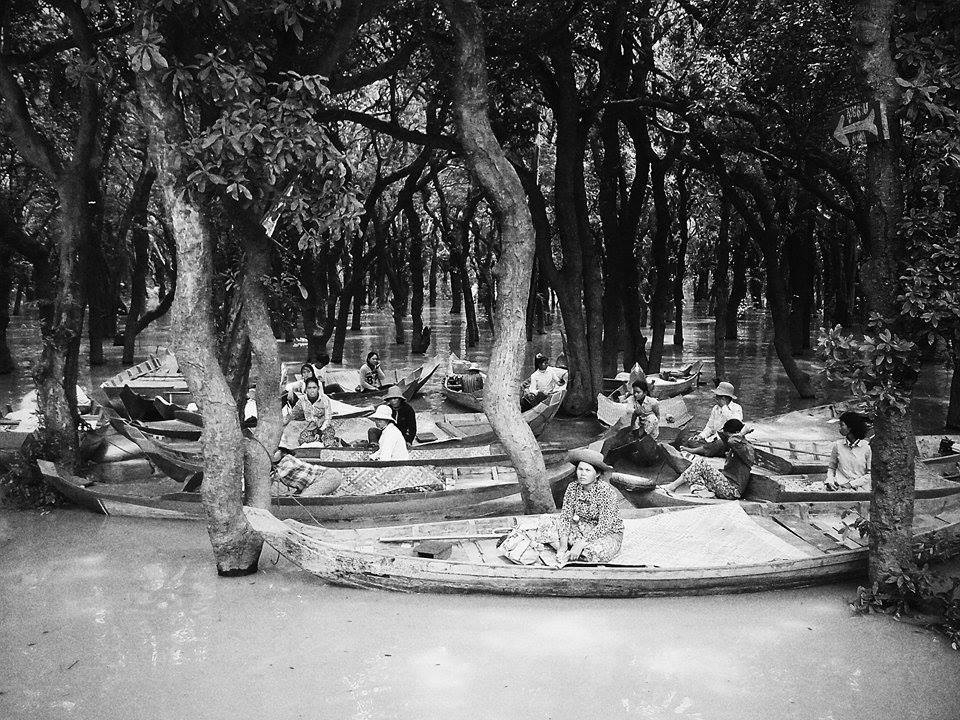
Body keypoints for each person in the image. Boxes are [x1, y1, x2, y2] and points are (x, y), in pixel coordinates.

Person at [534, 449, 624, 567]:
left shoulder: (606, 492)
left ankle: (578, 551)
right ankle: (568, 549)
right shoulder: (573, 487)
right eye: (580, 469)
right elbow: (566, 517)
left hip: (606, 534)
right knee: (546, 521)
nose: (583, 474)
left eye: (588, 470)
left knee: (593, 552)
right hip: (581, 527)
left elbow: (604, 525)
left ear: (596, 474)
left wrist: (581, 544)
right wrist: (563, 545)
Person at [662, 418, 755, 500]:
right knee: (696, 472)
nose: (726, 439)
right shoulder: (737, 444)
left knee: (700, 464)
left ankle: (672, 487)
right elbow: (724, 436)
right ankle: (702, 492)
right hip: (726, 483)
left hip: (732, 490)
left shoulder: (746, 448)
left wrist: (742, 433)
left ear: (736, 434)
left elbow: (731, 440)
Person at [682, 381, 743, 457]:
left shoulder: (737, 408)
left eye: (717, 396)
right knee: (691, 441)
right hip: (713, 440)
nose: (715, 398)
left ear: (723, 398)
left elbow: (735, 423)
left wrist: (724, 407)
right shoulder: (715, 408)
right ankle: (709, 450)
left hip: (728, 441)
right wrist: (701, 436)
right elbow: (710, 427)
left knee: (720, 443)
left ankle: (698, 450)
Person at [825, 411, 872, 491]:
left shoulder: (866, 447)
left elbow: (870, 474)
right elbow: (831, 468)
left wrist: (851, 484)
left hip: (862, 490)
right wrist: (830, 481)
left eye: (842, 425)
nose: (840, 428)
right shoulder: (838, 445)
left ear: (850, 427)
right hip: (840, 488)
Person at [284, 377, 336, 447]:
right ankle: (318, 442)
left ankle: (329, 441)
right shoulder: (302, 400)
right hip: (311, 428)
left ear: (318, 388)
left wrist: (320, 431)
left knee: (329, 442)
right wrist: (283, 422)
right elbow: (293, 413)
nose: (312, 390)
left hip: (324, 427)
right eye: (309, 388)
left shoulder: (325, 399)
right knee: (302, 440)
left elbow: (328, 418)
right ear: (306, 389)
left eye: (314, 388)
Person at [272, 448, 342, 496]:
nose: (273, 454)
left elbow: (280, 474)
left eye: (276, 451)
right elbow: (301, 481)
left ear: (283, 452)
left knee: (305, 497)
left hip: (328, 476)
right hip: (320, 479)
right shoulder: (279, 466)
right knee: (301, 495)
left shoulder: (287, 459)